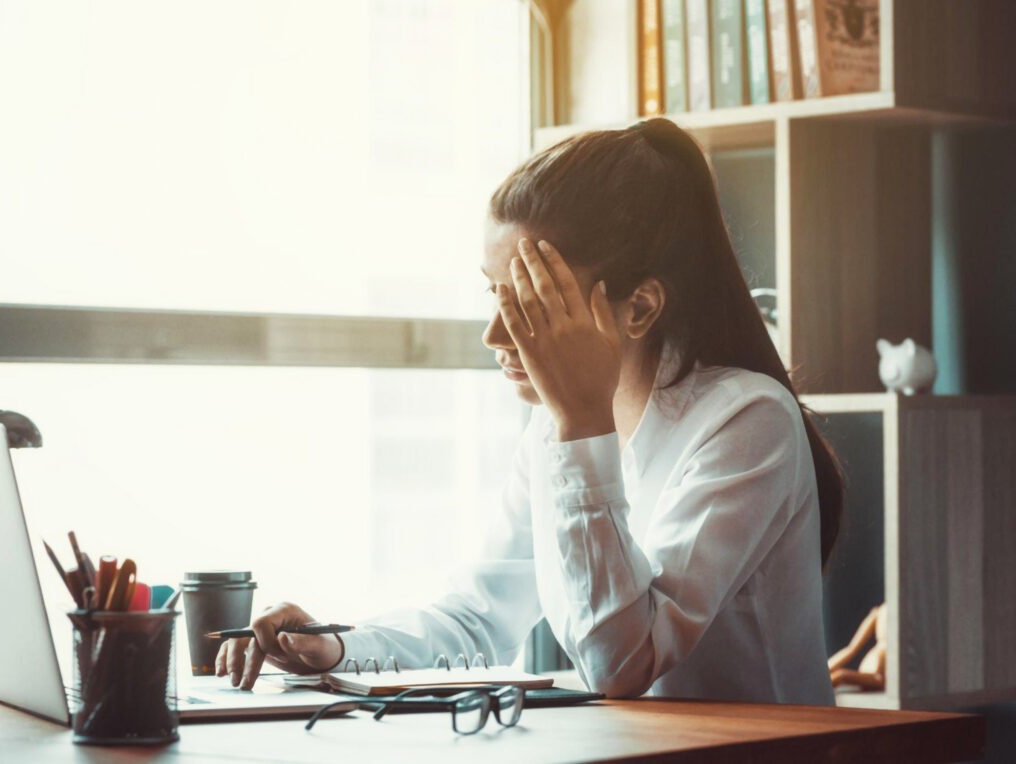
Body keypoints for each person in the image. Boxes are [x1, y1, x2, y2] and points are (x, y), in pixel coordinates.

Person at [217, 118, 842, 704]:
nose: (494, 333)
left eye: (529, 302)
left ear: (640, 307)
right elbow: (478, 617)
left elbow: (619, 665)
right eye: (494, 293)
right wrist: (335, 649)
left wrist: (580, 429)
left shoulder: (748, 422)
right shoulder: (555, 428)